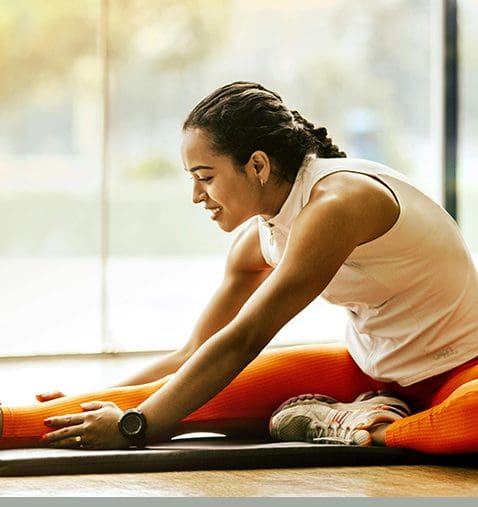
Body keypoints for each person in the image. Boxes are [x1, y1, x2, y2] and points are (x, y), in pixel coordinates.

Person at [1, 81, 477, 454]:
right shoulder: (260, 234)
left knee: (471, 417)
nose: (196, 196)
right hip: (371, 373)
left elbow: (245, 338)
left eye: (205, 177)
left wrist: (134, 427)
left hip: (463, 370)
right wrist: (97, 398)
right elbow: (195, 351)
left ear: (258, 166)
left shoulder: (337, 204)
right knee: (165, 401)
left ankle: (368, 429)